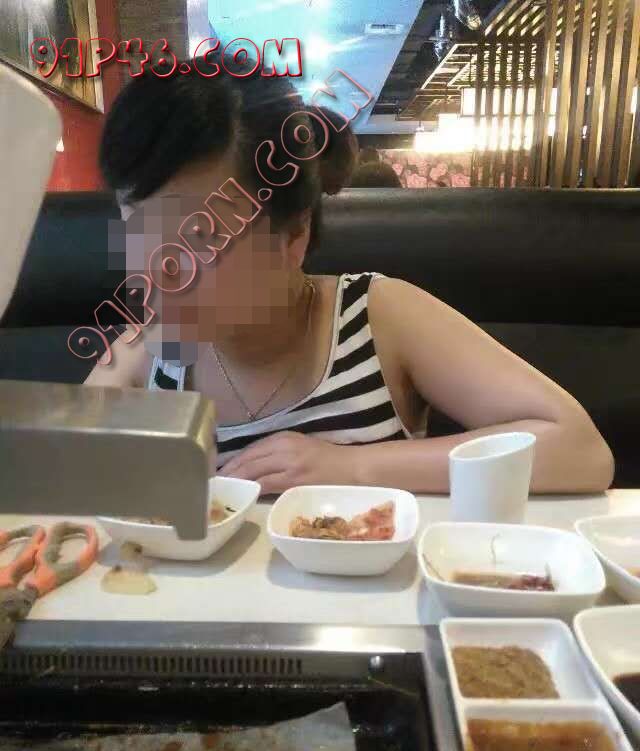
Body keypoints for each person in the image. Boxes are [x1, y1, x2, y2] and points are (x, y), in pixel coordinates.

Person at [86, 59, 614, 495]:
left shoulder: (377, 316)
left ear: (293, 235)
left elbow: (580, 450)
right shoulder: (146, 349)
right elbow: (63, 476)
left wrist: (355, 467)